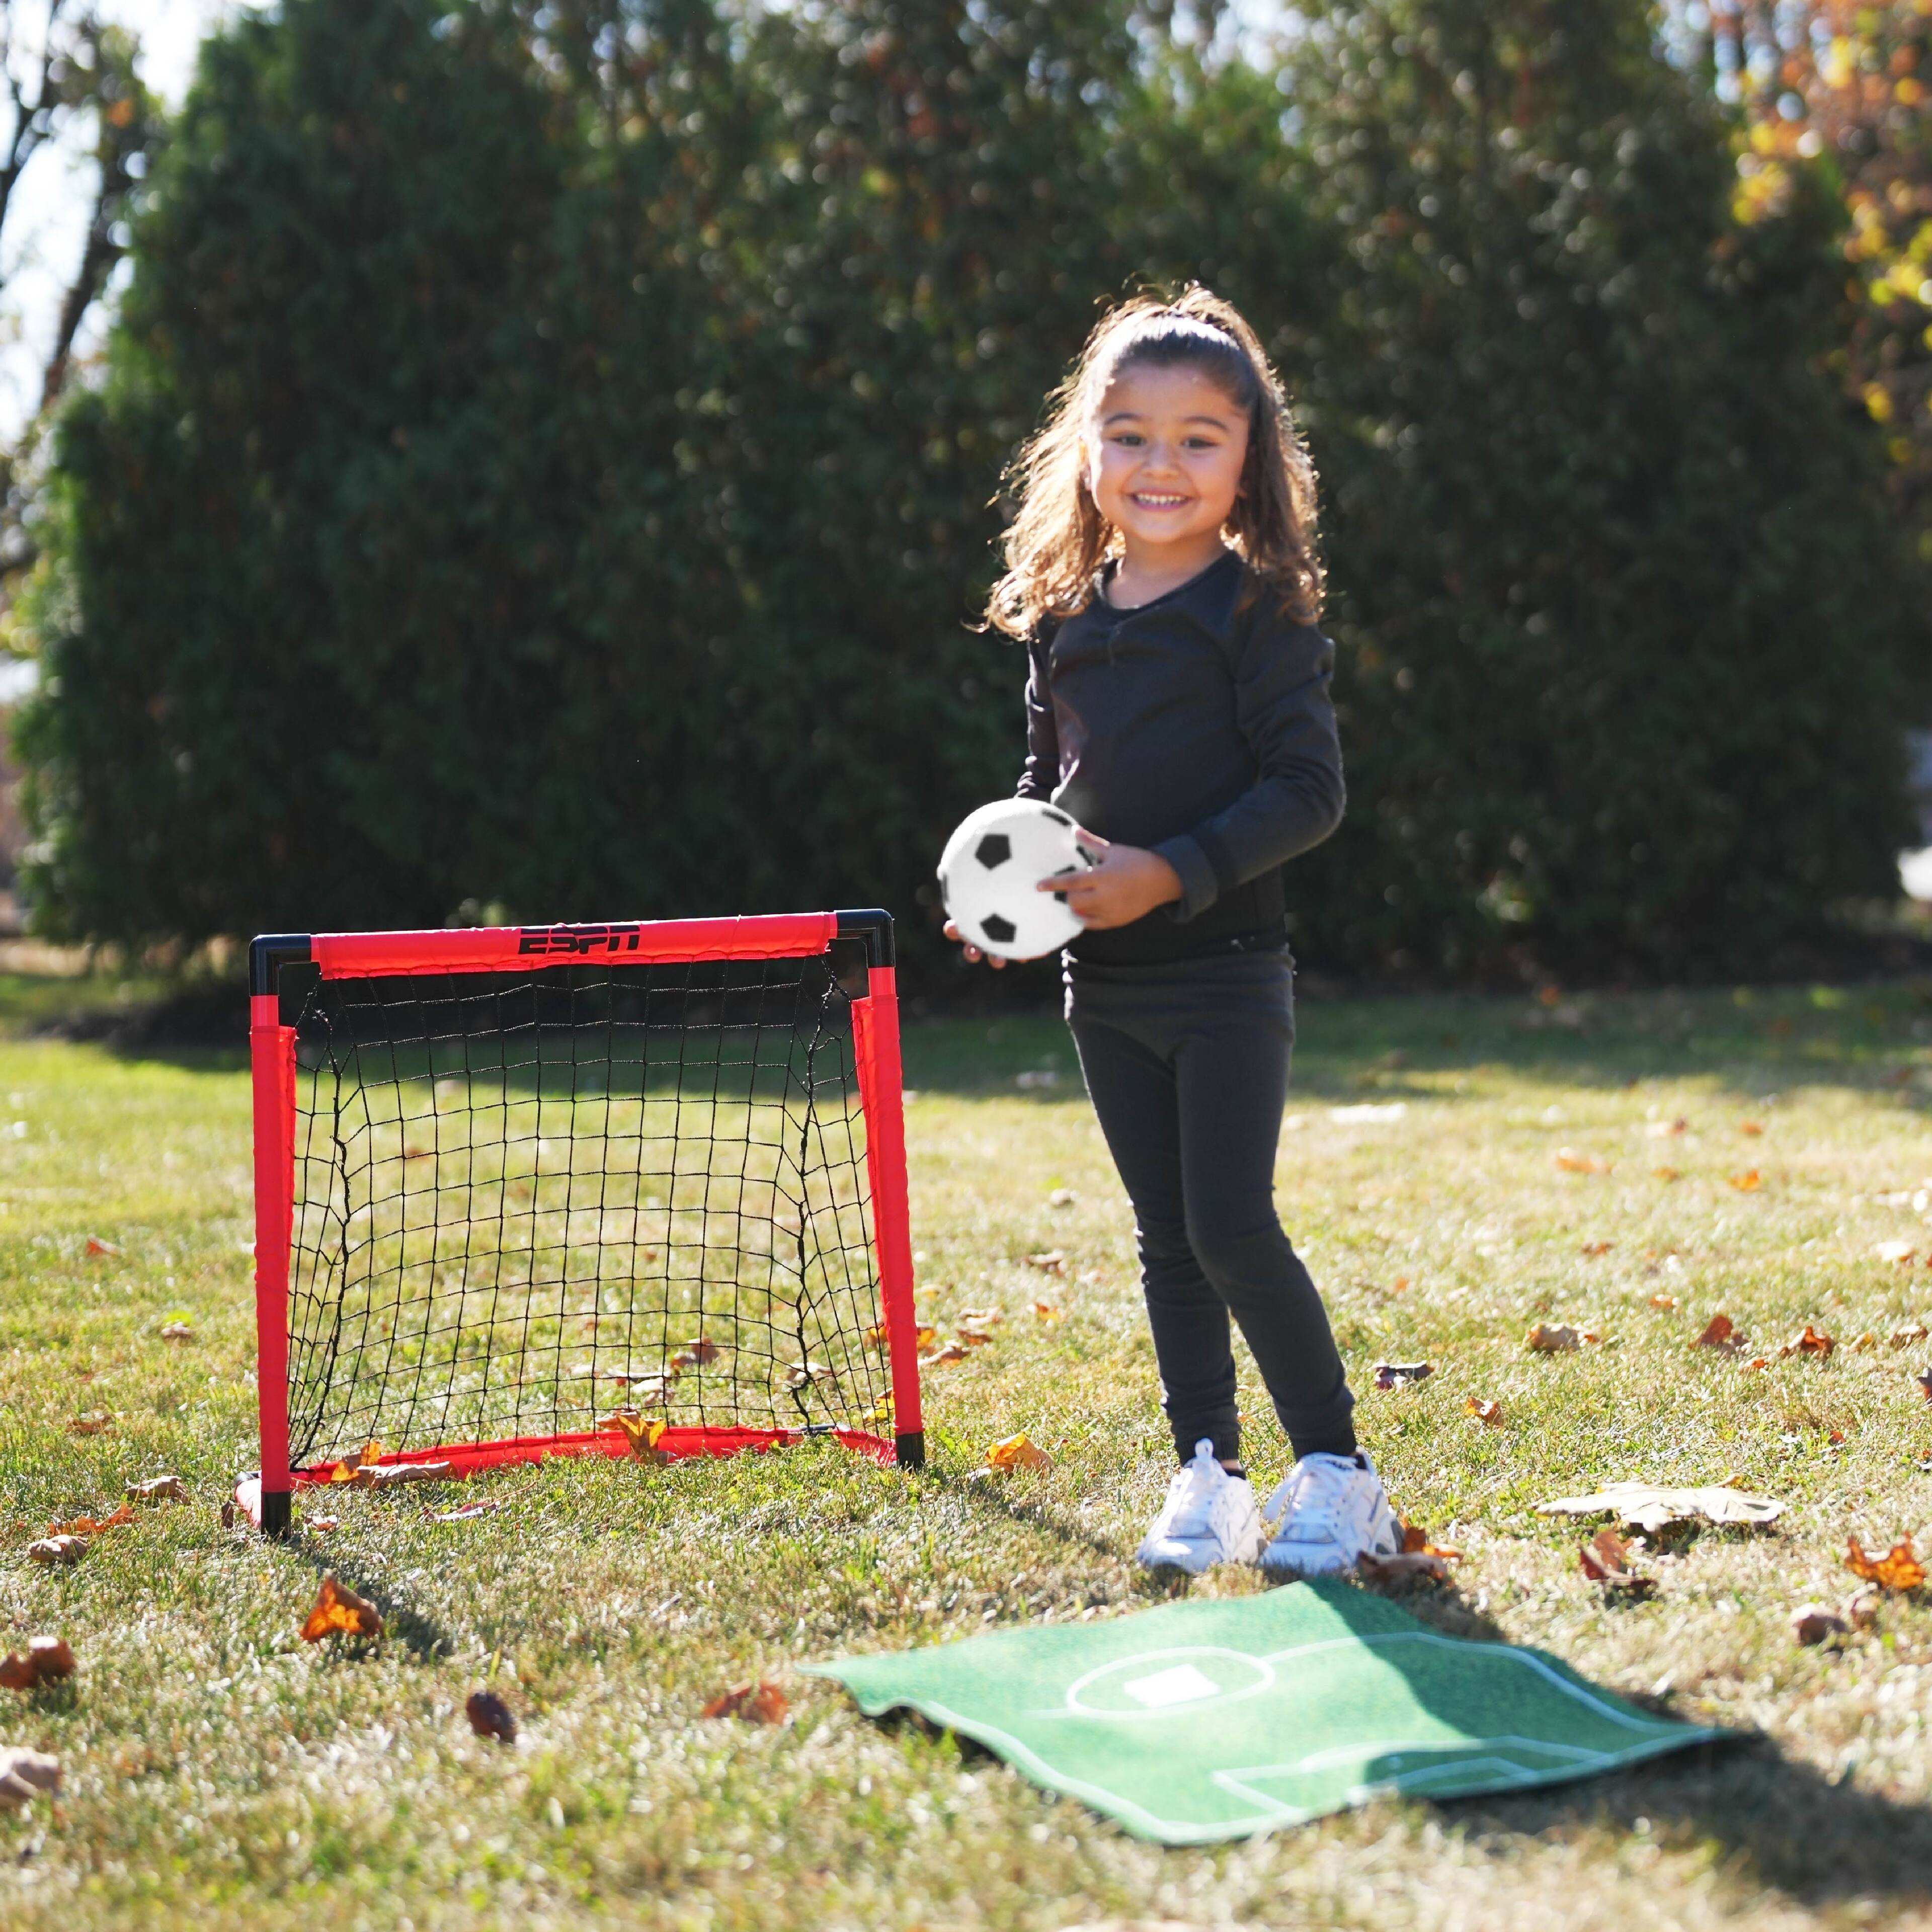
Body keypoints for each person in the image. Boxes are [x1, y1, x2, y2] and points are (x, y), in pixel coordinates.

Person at [947, 288, 1399, 1576]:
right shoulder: (1065, 619)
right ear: (1084, 448)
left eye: (1200, 438)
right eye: (1132, 434)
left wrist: (1172, 873)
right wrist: (1016, 899)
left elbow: (1309, 793)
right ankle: (1209, 1474)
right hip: (1106, 985)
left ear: (1251, 458)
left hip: (1227, 975)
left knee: (1231, 1225)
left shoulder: (1257, 616)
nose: (1162, 464)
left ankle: (1339, 1472)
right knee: (1166, 1239)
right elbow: (1046, 790)